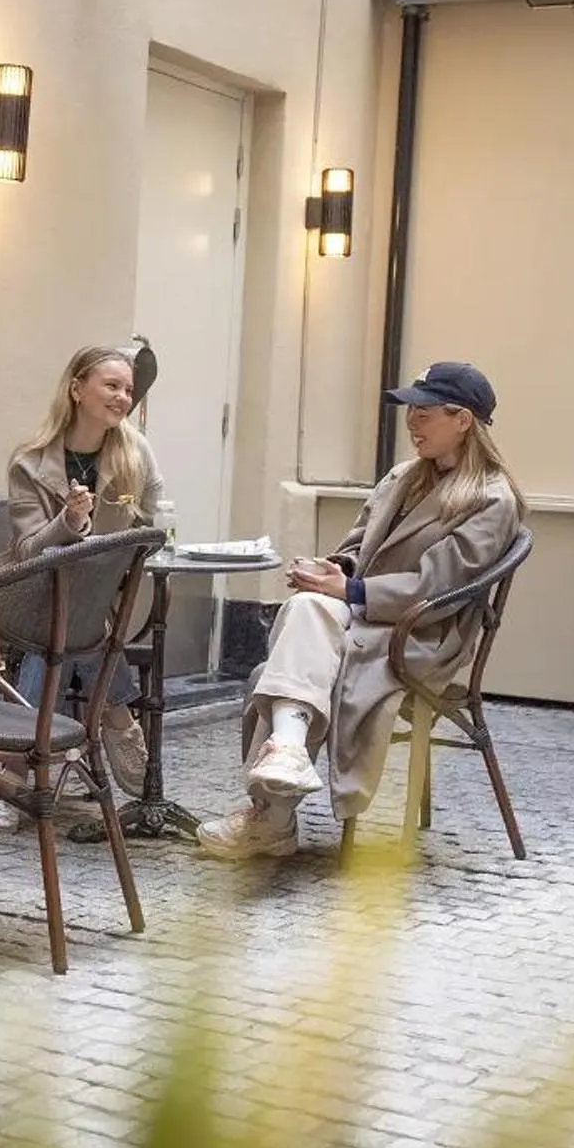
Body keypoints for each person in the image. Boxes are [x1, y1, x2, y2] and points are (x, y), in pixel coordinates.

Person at [199, 363, 521, 861]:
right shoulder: (403, 478)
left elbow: (440, 588)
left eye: (425, 412)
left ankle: (274, 814)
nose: (412, 422)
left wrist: (349, 589)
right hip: (365, 617)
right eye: (410, 410)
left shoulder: (490, 499)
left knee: (294, 641)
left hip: (418, 633)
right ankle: (284, 765)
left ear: (463, 420)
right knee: (307, 607)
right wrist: (333, 571)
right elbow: (357, 547)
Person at [0, 345, 163, 833]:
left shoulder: (135, 453)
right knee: (62, 622)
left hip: (114, 596)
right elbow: (28, 552)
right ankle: (118, 715)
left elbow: (154, 519)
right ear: (77, 389)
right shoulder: (31, 462)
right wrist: (69, 521)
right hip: (41, 594)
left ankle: (16, 768)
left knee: (68, 623)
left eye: (127, 388)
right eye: (111, 385)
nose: (123, 397)